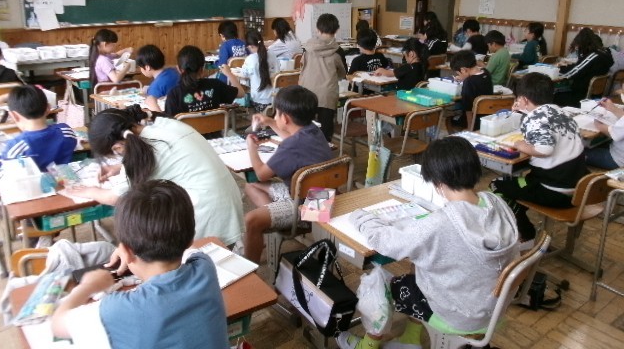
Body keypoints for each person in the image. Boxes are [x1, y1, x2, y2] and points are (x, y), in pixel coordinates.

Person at [336, 137, 518, 349]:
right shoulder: (496, 202)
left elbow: (387, 242)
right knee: (419, 266)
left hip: (459, 314)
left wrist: (359, 216)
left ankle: (367, 345)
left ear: (438, 183)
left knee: (381, 282)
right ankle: (411, 337)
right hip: (490, 305)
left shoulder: (441, 223)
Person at [52, 179, 229, 349]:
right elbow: (190, 247)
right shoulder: (204, 266)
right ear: (190, 238)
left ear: (126, 252)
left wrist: (88, 286)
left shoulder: (119, 309)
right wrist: (129, 248)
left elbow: (58, 325)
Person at [69, 106, 243, 246]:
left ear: (118, 147)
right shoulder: (165, 125)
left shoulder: (148, 148)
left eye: (115, 155)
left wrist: (89, 191)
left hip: (210, 215)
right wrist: (118, 167)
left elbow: (115, 197)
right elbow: (168, 156)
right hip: (228, 201)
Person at [491, 73, 586, 247]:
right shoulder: (562, 112)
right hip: (578, 187)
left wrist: (520, 144)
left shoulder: (535, 118)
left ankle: (526, 233)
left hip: (555, 191)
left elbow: (544, 149)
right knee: (521, 182)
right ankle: (518, 216)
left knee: (497, 185)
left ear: (524, 100)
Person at [243, 85, 333, 263]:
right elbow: (292, 137)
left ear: (285, 118)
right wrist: (270, 122)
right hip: (322, 197)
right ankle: (272, 217)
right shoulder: (314, 130)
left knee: (250, 220)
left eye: (276, 113)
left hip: (310, 209)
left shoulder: (290, 147)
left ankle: (250, 270)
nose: (275, 117)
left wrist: (251, 148)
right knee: (251, 186)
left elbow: (261, 174)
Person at [2, 85, 77, 171]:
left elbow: (2, 173)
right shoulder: (66, 132)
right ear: (48, 108)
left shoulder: (15, 146)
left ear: (13, 115)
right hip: (65, 178)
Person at [299, 13, 347, 142]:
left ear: (317, 29)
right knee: (325, 130)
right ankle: (325, 150)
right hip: (327, 94)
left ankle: (306, 148)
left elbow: (302, 66)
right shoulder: (338, 51)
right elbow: (343, 73)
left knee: (305, 126)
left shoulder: (307, 48)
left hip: (307, 92)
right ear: (336, 30)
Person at [165, 45, 245, 118]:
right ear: (202, 69)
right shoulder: (215, 85)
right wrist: (229, 73)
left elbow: (169, 123)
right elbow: (241, 93)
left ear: (179, 69)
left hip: (187, 130)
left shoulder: (174, 94)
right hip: (215, 129)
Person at [555, 27, 614, 108]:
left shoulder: (593, 56)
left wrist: (557, 68)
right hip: (594, 96)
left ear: (583, 44)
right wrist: (568, 66)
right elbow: (580, 67)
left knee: (550, 95)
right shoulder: (604, 54)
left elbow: (572, 73)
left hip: (581, 98)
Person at [446, 50, 493, 132]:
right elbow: (475, 78)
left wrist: (470, 128)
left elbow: (468, 109)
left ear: (464, 70)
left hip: (475, 122)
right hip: (488, 118)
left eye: (458, 73)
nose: (458, 75)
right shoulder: (486, 73)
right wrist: (463, 77)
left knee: (448, 119)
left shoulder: (468, 83)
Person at [239, 30, 279, 113]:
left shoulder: (250, 59)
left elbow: (243, 75)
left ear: (250, 46)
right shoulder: (272, 54)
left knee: (246, 92)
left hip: (259, 100)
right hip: (275, 99)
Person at [135, 44, 180, 113]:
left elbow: (153, 107)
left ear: (147, 67)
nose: (141, 70)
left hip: (169, 115)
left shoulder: (155, 87)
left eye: (140, 67)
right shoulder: (174, 71)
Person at [585, 97, 624, 170]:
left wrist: (597, 120)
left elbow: (611, 133)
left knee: (578, 154)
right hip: (617, 150)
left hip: (618, 161)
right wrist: (612, 108)